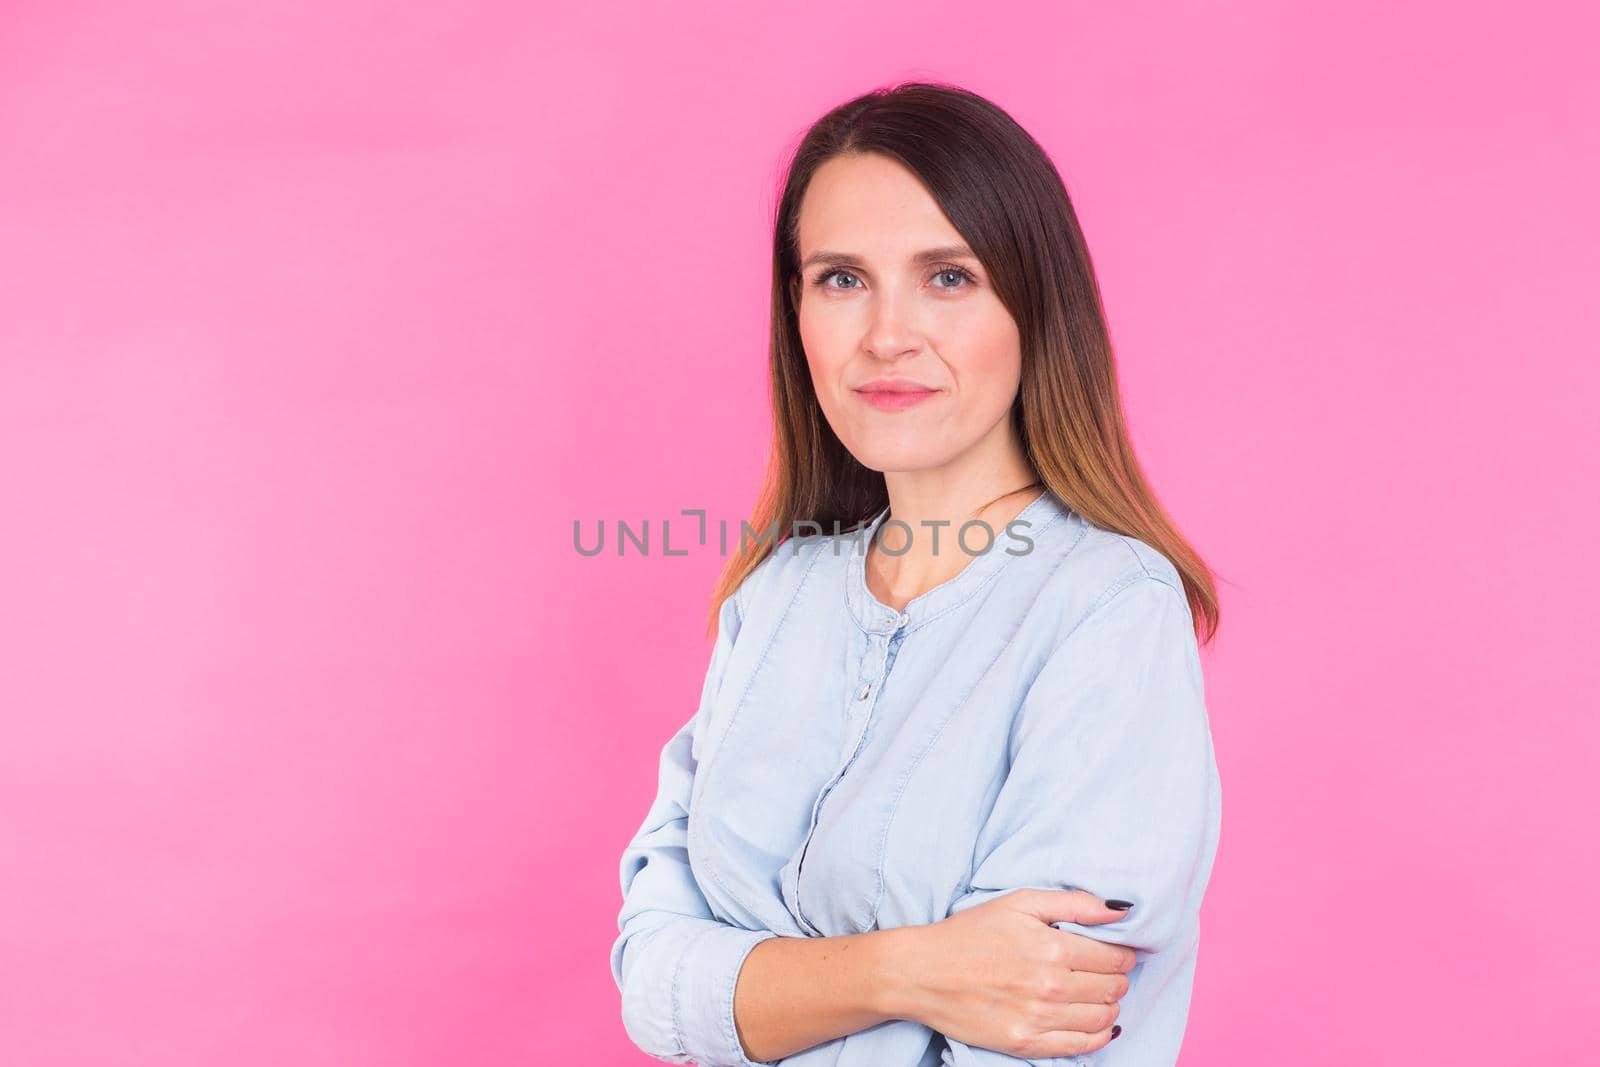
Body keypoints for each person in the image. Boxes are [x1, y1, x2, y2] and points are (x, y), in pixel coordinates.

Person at [609, 81, 1223, 1067]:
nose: (885, 334)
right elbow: (652, 982)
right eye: (841, 279)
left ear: (1033, 302)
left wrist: (759, 989)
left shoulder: (1106, 608)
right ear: (796, 311)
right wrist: (907, 971)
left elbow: (1035, 1021)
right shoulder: (772, 602)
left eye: (947, 276)